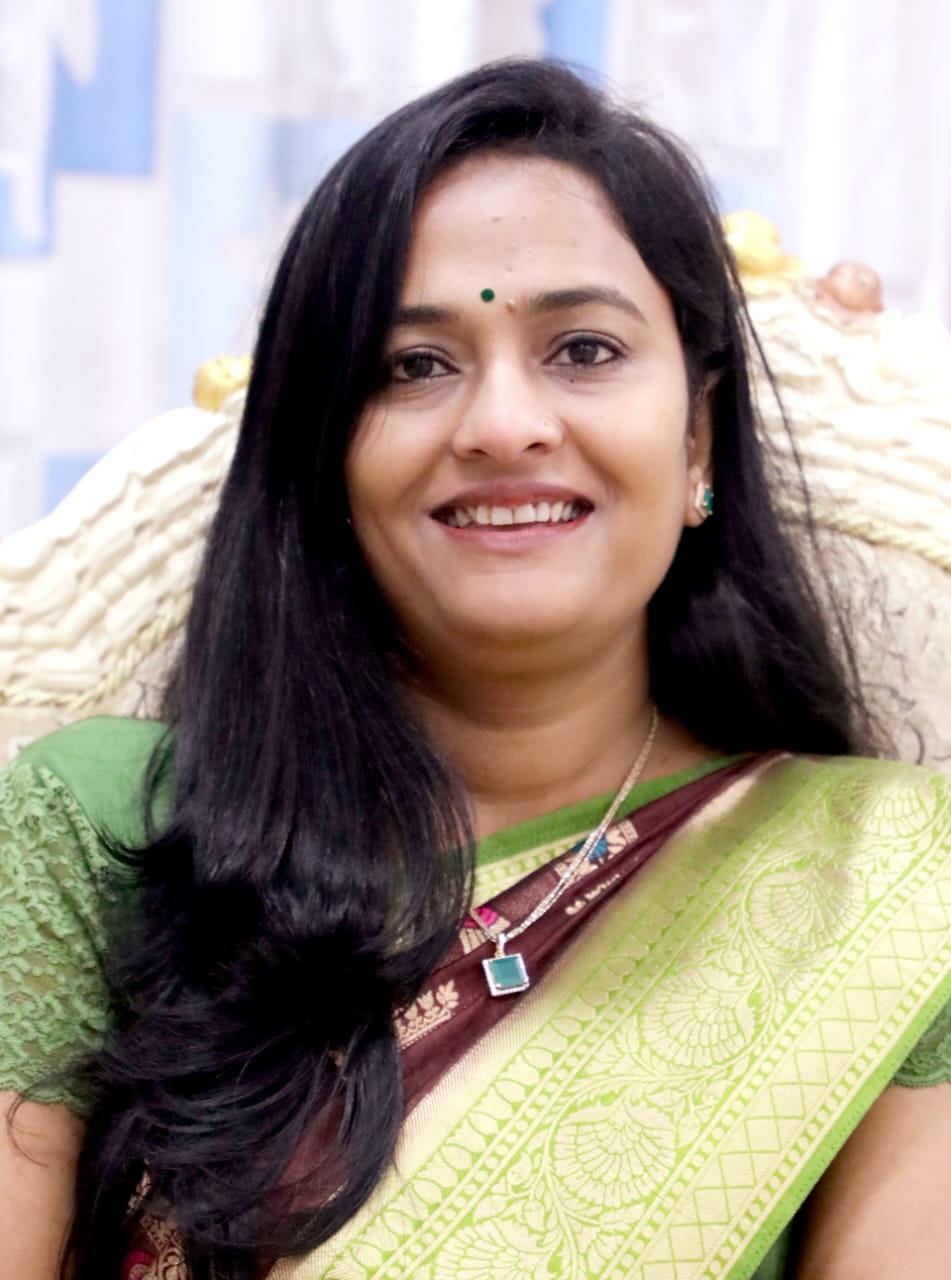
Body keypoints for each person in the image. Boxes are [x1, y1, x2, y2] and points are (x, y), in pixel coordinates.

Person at [1, 58, 950, 1280]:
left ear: (699, 438)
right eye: (414, 365)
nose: (504, 425)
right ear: (323, 456)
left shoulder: (883, 889)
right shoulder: (106, 828)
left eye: (584, 348)